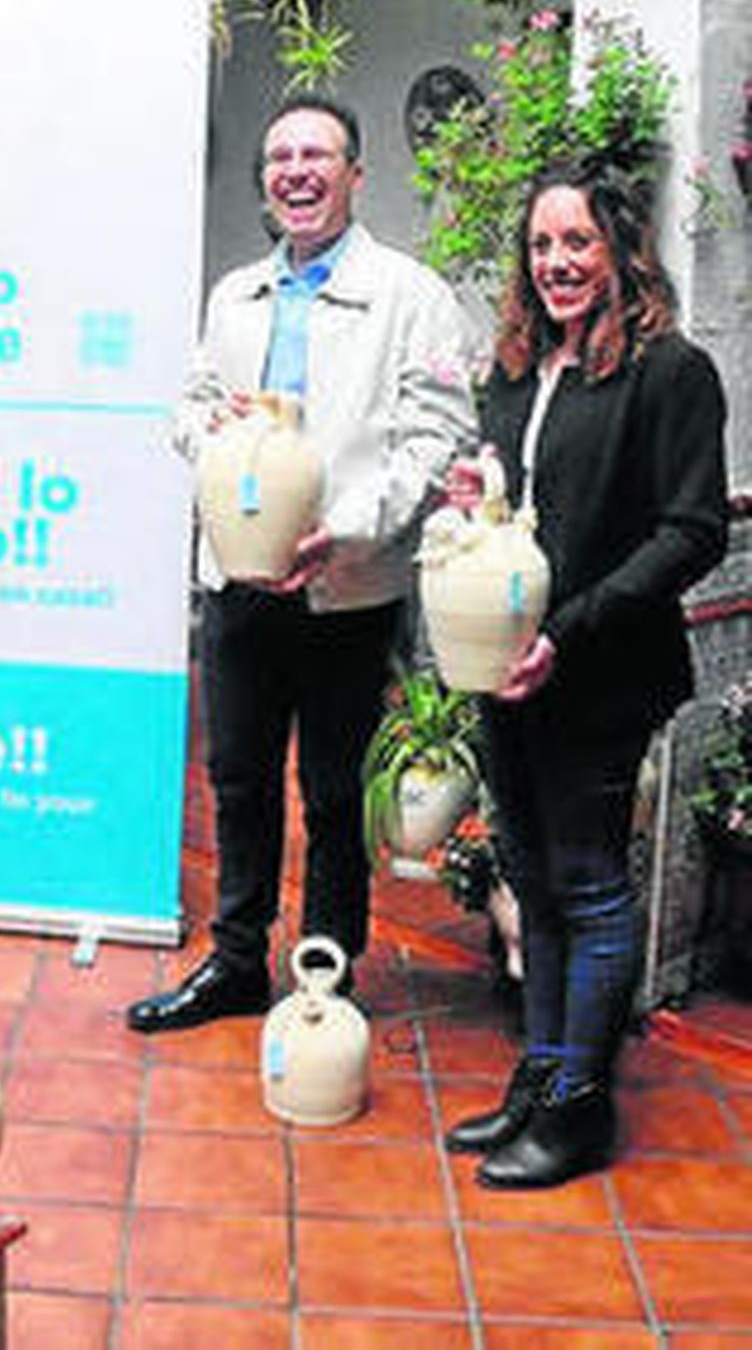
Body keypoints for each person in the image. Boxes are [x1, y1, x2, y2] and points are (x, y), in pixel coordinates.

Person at [126, 94, 476, 1034]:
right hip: (238, 580)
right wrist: (214, 435)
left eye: (317, 154)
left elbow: (439, 441)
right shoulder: (235, 294)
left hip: (348, 589)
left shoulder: (414, 296)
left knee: (332, 788)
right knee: (237, 776)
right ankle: (237, 961)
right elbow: (189, 403)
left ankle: (327, 964)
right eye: (280, 156)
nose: (296, 171)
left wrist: (349, 529)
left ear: (356, 175)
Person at [439, 162, 727, 1189]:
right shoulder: (517, 367)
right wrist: (481, 488)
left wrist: (571, 629)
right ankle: (542, 1070)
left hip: (596, 671)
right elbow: (518, 503)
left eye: (576, 243)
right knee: (530, 878)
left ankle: (577, 1107)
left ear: (619, 250)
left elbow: (689, 531)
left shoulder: (669, 370)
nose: (555, 262)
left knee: (589, 888)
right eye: (540, 245)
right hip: (504, 664)